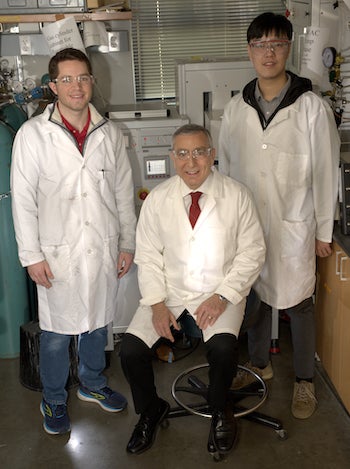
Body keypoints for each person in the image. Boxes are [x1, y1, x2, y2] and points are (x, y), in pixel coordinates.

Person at [219, 12, 340, 419]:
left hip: (295, 224)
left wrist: (324, 229)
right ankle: (259, 366)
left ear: (289, 47)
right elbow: (228, 170)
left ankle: (305, 381)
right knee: (254, 297)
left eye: (277, 44)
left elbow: (325, 173)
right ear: (249, 50)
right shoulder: (236, 108)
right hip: (249, 224)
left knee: (299, 302)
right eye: (260, 44)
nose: (268, 53)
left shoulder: (311, 108)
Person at [10, 48, 136, 435]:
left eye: (82, 77)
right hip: (56, 251)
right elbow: (23, 198)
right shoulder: (33, 135)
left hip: (101, 245)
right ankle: (53, 398)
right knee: (56, 333)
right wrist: (31, 255)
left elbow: (122, 192)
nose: (76, 86)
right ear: (52, 86)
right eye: (66, 79)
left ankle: (93, 385)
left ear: (91, 82)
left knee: (99, 322)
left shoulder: (110, 133)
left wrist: (127, 243)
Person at [120, 123, 266, 456]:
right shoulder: (158, 199)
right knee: (130, 350)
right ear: (173, 158)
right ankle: (150, 410)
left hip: (220, 290)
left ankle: (220, 412)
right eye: (183, 153)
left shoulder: (237, 195)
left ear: (212, 154)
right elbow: (148, 257)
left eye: (199, 152)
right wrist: (157, 304)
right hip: (168, 292)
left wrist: (222, 296)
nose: (191, 162)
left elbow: (253, 251)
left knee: (223, 349)